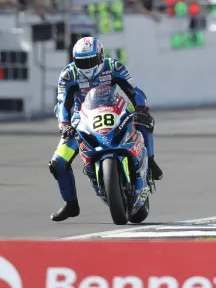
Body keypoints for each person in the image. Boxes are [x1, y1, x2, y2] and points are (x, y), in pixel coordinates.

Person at [48, 37, 162, 222]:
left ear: (100, 56)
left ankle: (150, 160)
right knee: (57, 163)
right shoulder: (69, 74)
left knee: (144, 120)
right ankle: (71, 205)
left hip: (116, 108)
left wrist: (141, 109)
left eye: (91, 61)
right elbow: (62, 104)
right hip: (81, 119)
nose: (86, 66)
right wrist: (65, 125)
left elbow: (134, 90)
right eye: (81, 62)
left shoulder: (113, 66)